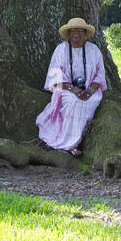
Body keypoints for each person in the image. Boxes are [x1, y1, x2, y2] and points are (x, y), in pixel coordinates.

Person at [35, 16, 106, 156]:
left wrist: (90, 90)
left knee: (86, 104)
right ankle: (68, 144)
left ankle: (74, 142)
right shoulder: (61, 50)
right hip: (65, 90)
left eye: (80, 31)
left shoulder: (94, 50)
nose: (77, 34)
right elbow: (54, 75)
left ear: (85, 34)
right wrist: (72, 89)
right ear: (69, 33)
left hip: (90, 91)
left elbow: (100, 74)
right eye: (73, 31)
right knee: (74, 103)